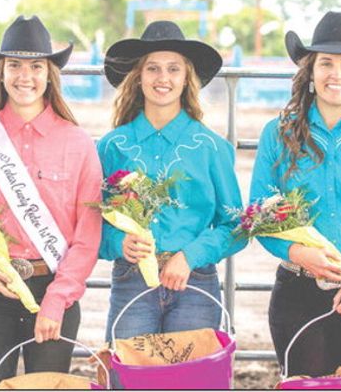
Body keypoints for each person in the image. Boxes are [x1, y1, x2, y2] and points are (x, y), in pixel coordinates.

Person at [0, 15, 102, 388]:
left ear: (50, 74)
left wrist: (57, 298)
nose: (25, 76)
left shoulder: (78, 142)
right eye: (14, 65)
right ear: (0, 72)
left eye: (36, 66)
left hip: (53, 289)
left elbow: (87, 234)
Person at [98, 21, 243, 343]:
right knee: (128, 376)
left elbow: (235, 226)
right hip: (131, 277)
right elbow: (90, 219)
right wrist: (116, 242)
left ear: (186, 78)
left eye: (173, 69)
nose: (163, 78)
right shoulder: (112, 146)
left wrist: (190, 255)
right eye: (153, 68)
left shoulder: (211, 147)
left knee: (190, 377)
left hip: (194, 280)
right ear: (138, 77)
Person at [250, 11, 341, 377]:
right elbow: (258, 213)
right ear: (310, 70)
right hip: (297, 291)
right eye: (326, 62)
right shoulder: (277, 133)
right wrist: (299, 252)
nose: (336, 74)